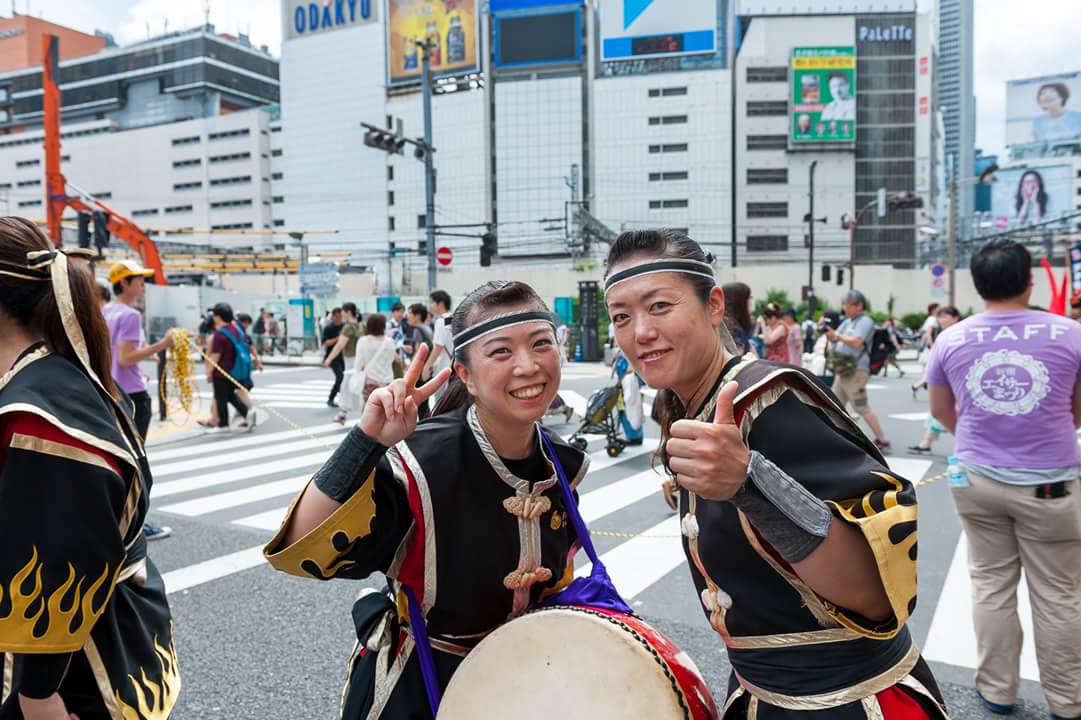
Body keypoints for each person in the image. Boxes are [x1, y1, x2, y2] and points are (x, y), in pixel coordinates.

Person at [603, 228, 946, 718]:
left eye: (659, 306)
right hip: (761, 698)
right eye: (622, 317)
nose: (639, 332)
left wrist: (750, 482)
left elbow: (877, 596)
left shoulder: (767, 399)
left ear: (714, 304)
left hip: (849, 703)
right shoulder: (694, 405)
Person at [264, 281, 593, 718]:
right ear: (465, 375)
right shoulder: (418, 465)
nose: (528, 365)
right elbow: (299, 549)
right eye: (501, 352)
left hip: (525, 683)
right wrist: (365, 442)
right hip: (422, 682)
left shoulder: (562, 463)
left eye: (540, 344)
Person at [0, 217, 180, 719]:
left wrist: (38, 695)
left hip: (74, 675)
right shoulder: (60, 375)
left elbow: (57, 567)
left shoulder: (39, 418)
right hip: (110, 643)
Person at [927, 239, 1081, 719]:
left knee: (991, 585)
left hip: (975, 478)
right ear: (1029, 280)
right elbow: (1078, 410)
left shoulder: (951, 338)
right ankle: (1068, 700)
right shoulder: (1071, 334)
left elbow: (941, 411)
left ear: (976, 285)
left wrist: (981, 441)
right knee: (1058, 592)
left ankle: (996, 690)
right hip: (1050, 482)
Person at [103, 259, 175, 541]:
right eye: (138, 279)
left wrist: (147, 354)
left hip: (111, 392)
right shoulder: (130, 315)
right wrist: (163, 345)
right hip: (132, 396)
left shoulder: (103, 311)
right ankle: (136, 525)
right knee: (137, 465)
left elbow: (114, 356)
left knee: (117, 459)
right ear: (124, 283)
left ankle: (115, 520)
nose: (143, 284)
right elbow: (125, 357)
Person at [827, 290, 891, 451]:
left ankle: (882, 440)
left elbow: (857, 342)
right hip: (843, 370)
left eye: (848, 305)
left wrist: (837, 336)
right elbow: (837, 337)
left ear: (859, 306)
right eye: (845, 305)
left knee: (861, 406)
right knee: (834, 405)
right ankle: (836, 438)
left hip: (856, 371)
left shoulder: (865, 321)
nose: (845, 308)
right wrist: (830, 335)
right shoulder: (848, 322)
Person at [334, 313, 397, 425]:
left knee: (368, 414)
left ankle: (368, 439)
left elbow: (358, 365)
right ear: (383, 326)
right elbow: (392, 360)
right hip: (387, 383)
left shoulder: (364, 341)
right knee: (385, 413)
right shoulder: (390, 342)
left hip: (370, 383)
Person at [205, 302, 254, 433]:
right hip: (235, 370)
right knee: (230, 396)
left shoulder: (219, 334)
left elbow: (215, 355)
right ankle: (248, 413)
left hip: (221, 372)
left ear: (218, 317)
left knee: (221, 397)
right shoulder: (237, 330)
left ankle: (223, 425)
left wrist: (209, 372)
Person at [324, 303, 363, 421]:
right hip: (361, 359)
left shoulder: (348, 328)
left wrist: (329, 359)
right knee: (357, 387)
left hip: (350, 360)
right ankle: (346, 413)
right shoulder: (361, 326)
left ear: (348, 312)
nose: (342, 314)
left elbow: (339, 346)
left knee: (346, 385)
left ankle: (343, 414)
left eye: (343, 311)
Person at [423, 290, 454, 407]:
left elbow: (438, 347)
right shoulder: (453, 319)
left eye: (432, 302)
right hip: (453, 367)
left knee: (440, 403)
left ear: (440, 303)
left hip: (442, 369)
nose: (430, 306)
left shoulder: (441, 322)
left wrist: (427, 366)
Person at [722, 281, 754, 355]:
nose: (750, 302)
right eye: (749, 298)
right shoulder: (732, 328)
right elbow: (738, 356)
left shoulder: (723, 321)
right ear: (740, 301)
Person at [323, 307, 345, 407]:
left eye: (341, 316)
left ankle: (343, 396)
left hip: (344, 357)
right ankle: (331, 398)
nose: (339, 318)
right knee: (340, 377)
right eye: (337, 316)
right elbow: (326, 343)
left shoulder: (345, 327)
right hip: (332, 357)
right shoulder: (328, 328)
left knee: (344, 378)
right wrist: (338, 339)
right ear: (333, 316)